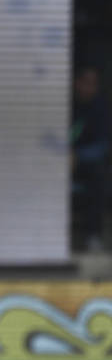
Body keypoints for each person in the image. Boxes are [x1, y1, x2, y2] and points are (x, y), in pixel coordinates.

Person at [70, 65, 110, 251]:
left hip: (82, 163)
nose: (89, 88)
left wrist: (77, 155)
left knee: (99, 175)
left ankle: (92, 235)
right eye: (86, 83)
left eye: (94, 84)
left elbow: (102, 146)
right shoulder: (63, 103)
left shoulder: (100, 108)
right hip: (56, 162)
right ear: (76, 83)